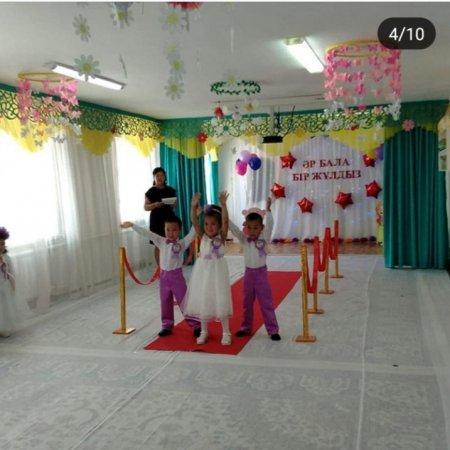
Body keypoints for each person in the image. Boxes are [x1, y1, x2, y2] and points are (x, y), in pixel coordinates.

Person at [121, 217, 201, 337]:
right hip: (164, 277)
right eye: (168, 230)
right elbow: (147, 233)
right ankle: (166, 325)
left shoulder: (182, 243)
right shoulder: (161, 241)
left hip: (177, 277)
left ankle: (196, 326)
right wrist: (133, 225)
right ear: (164, 230)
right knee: (165, 301)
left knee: (184, 301)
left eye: (174, 230)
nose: (171, 233)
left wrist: (196, 216)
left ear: (179, 230)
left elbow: (192, 234)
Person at [227, 197, 281, 341]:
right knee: (246, 302)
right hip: (248, 275)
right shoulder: (244, 239)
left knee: (266, 303)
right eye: (249, 227)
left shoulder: (264, 238)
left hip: (261, 275)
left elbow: (270, 224)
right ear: (246, 227)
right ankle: (246, 327)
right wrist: (225, 210)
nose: (252, 231)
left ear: (261, 228)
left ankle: (272, 330)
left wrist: (268, 210)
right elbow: (234, 229)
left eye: (256, 227)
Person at [183, 192, 233, 345]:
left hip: (218, 272)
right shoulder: (202, 236)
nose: (209, 227)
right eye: (206, 224)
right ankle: (204, 331)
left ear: (218, 226)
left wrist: (223, 205)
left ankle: (226, 332)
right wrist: (193, 207)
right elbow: (194, 221)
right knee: (203, 298)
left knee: (221, 299)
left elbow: (225, 221)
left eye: (213, 224)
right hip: (203, 272)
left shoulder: (221, 237)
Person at [144, 167, 177, 280]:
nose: (160, 177)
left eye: (162, 175)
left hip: (169, 219)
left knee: (171, 242)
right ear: (154, 177)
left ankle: (171, 267)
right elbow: (145, 207)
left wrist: (172, 204)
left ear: (165, 177)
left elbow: (174, 205)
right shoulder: (151, 191)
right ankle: (161, 269)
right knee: (158, 245)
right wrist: (154, 205)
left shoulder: (170, 190)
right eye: (157, 175)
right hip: (156, 220)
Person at [0, 227, 22, 337]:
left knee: (5, 307)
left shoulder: (6, 257)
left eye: (3, 244)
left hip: (5, 285)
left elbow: (11, 272)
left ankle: (5, 327)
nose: (1, 246)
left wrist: (13, 284)